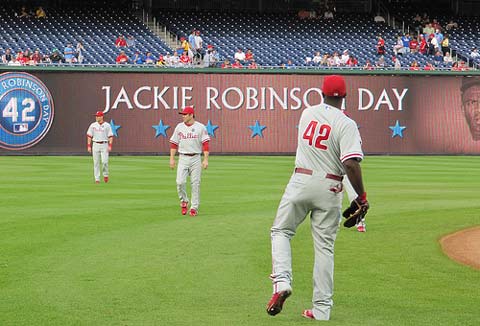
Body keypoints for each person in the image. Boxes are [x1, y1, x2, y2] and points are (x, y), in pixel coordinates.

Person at [266, 75, 368, 321]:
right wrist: (361, 196)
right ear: (344, 97)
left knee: (281, 232)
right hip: (331, 187)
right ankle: (321, 310)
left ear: (321, 93)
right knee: (324, 249)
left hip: (301, 180)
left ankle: (281, 282)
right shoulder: (347, 123)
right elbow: (351, 163)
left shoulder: (307, 113)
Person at [169, 106, 210, 216]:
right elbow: (174, 143)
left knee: (195, 184)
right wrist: (172, 159)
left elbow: (205, 144)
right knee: (180, 182)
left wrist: (205, 160)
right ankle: (184, 201)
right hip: (183, 157)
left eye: (185, 114)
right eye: (182, 114)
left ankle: (194, 207)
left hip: (196, 157)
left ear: (191, 115)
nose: (183, 116)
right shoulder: (179, 127)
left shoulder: (200, 127)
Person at [86, 111, 113, 184]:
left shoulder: (107, 125)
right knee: (96, 163)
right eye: (96, 116)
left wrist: (110, 145)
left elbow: (110, 136)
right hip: (95, 144)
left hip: (104, 144)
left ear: (102, 117)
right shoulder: (93, 125)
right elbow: (89, 136)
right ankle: (97, 179)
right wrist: (89, 146)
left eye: (98, 116)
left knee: (104, 162)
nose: (96, 117)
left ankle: (105, 174)